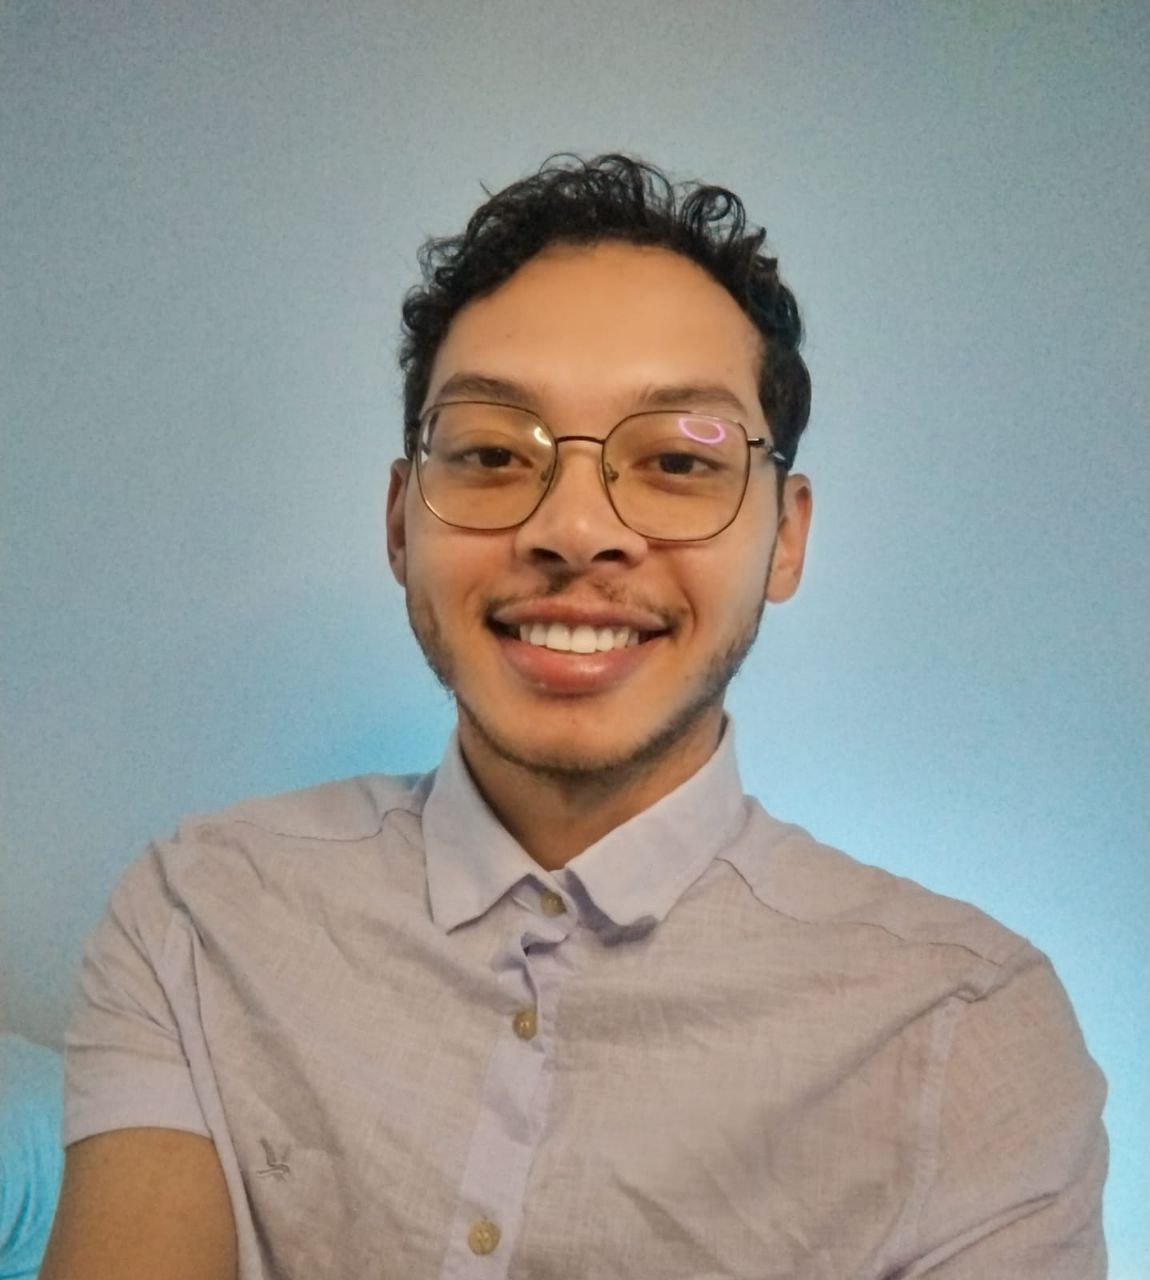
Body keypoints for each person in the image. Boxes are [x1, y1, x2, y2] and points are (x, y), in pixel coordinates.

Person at [42, 154, 1107, 1279]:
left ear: (785, 539)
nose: (576, 530)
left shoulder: (964, 1027)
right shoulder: (199, 915)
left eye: (678, 460)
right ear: (401, 521)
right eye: (493, 453)